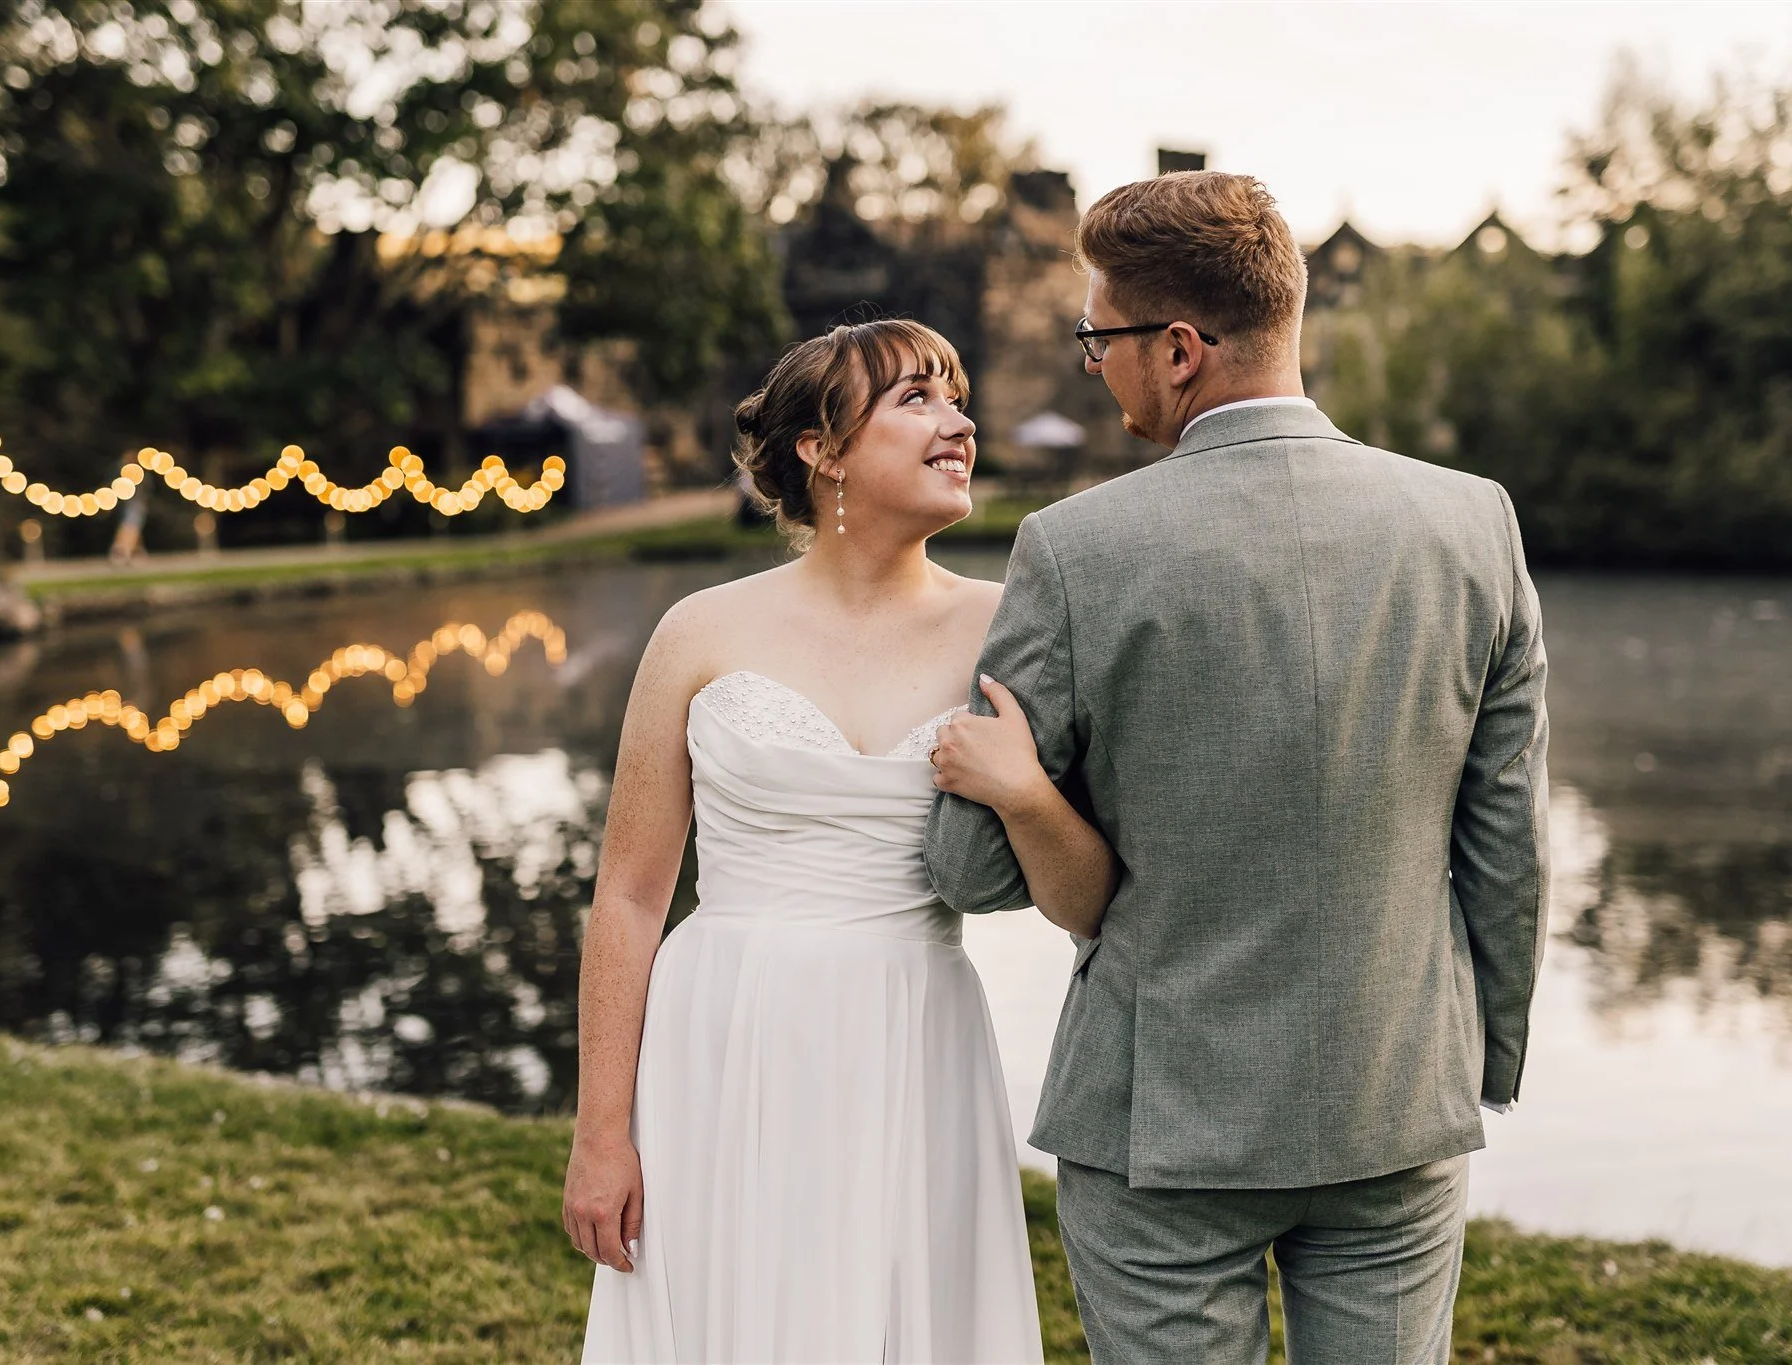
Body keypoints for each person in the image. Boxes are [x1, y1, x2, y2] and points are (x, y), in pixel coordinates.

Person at [924, 171, 1551, 1364]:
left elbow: (966, 869)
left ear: (1175, 349)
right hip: (1397, 1102)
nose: (1088, 363)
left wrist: (1025, 791)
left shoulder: (1071, 552)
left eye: (1096, 338)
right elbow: (1505, 845)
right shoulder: (1473, 524)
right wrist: (1480, 1063)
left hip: (1161, 1125)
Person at [566, 319, 1103, 1362]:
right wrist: (600, 1133)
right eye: (916, 399)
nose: (959, 423)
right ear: (820, 447)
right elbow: (629, 898)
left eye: (956, 398)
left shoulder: (1013, 629)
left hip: (912, 1032)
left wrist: (1027, 796)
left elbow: (1084, 902)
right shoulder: (698, 631)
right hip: (721, 1038)